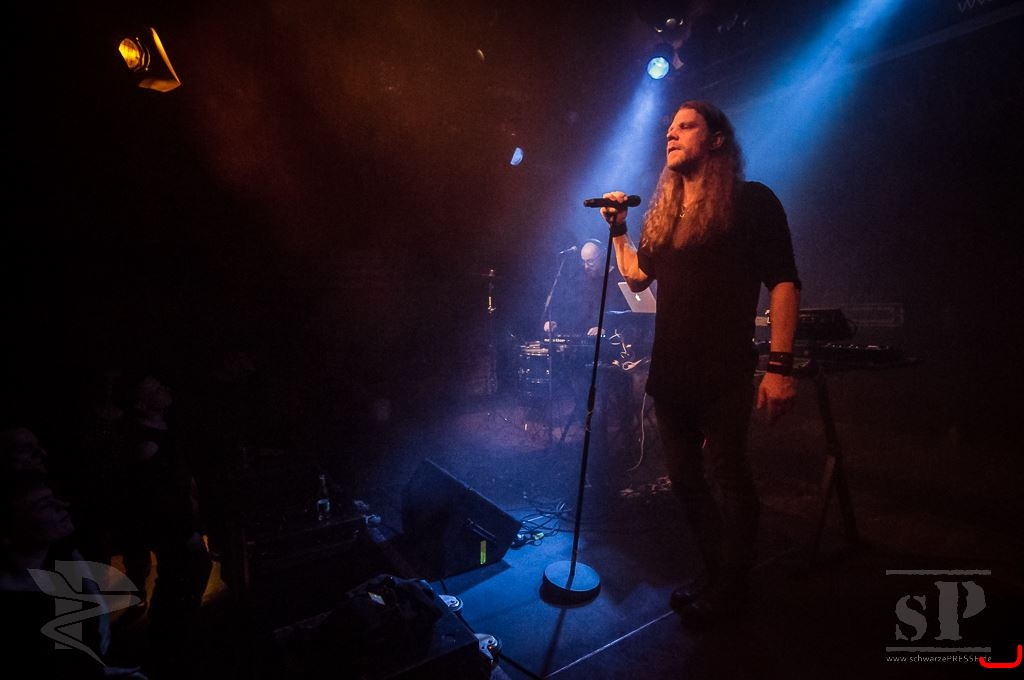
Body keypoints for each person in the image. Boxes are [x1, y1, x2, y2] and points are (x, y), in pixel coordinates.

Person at [598, 100, 801, 628]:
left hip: (724, 370)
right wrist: (619, 229)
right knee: (685, 481)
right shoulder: (666, 215)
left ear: (716, 140)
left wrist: (780, 366)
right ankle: (717, 572)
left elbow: (783, 281)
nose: (672, 135)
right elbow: (637, 275)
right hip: (671, 374)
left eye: (685, 126)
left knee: (730, 478)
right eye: (669, 129)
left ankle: (733, 586)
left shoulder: (751, 201)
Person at [543, 238, 629, 340]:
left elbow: (625, 314)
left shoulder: (619, 279)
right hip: (579, 338)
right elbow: (568, 307)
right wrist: (555, 321)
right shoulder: (579, 278)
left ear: (603, 256)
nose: (586, 267)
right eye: (583, 262)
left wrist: (605, 328)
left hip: (608, 340)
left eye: (590, 261)